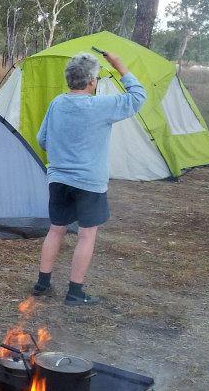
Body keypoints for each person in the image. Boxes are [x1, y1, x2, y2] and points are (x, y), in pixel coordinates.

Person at [32, 50, 146, 305]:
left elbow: (42, 139)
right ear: (92, 82)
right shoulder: (101, 105)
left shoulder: (57, 103)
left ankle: (42, 283)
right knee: (86, 234)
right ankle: (74, 292)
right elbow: (138, 97)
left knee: (56, 230)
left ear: (69, 79)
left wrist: (64, 153)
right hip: (89, 183)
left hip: (59, 179)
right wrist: (120, 66)